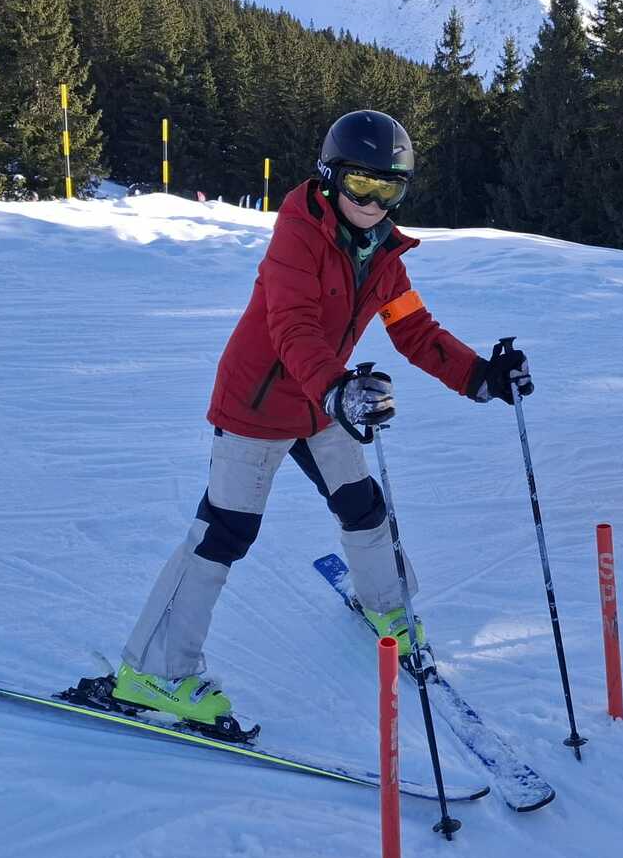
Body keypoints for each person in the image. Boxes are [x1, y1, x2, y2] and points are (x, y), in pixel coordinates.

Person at [110, 109, 533, 734]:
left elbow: (415, 330)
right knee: (224, 532)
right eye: (361, 185)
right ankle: (152, 672)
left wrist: (481, 376)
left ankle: (385, 606)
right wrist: (338, 390)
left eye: (389, 189)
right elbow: (294, 328)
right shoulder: (298, 236)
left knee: (363, 505)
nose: (373, 203)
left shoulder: (384, 255)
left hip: (322, 402)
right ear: (331, 177)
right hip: (258, 402)